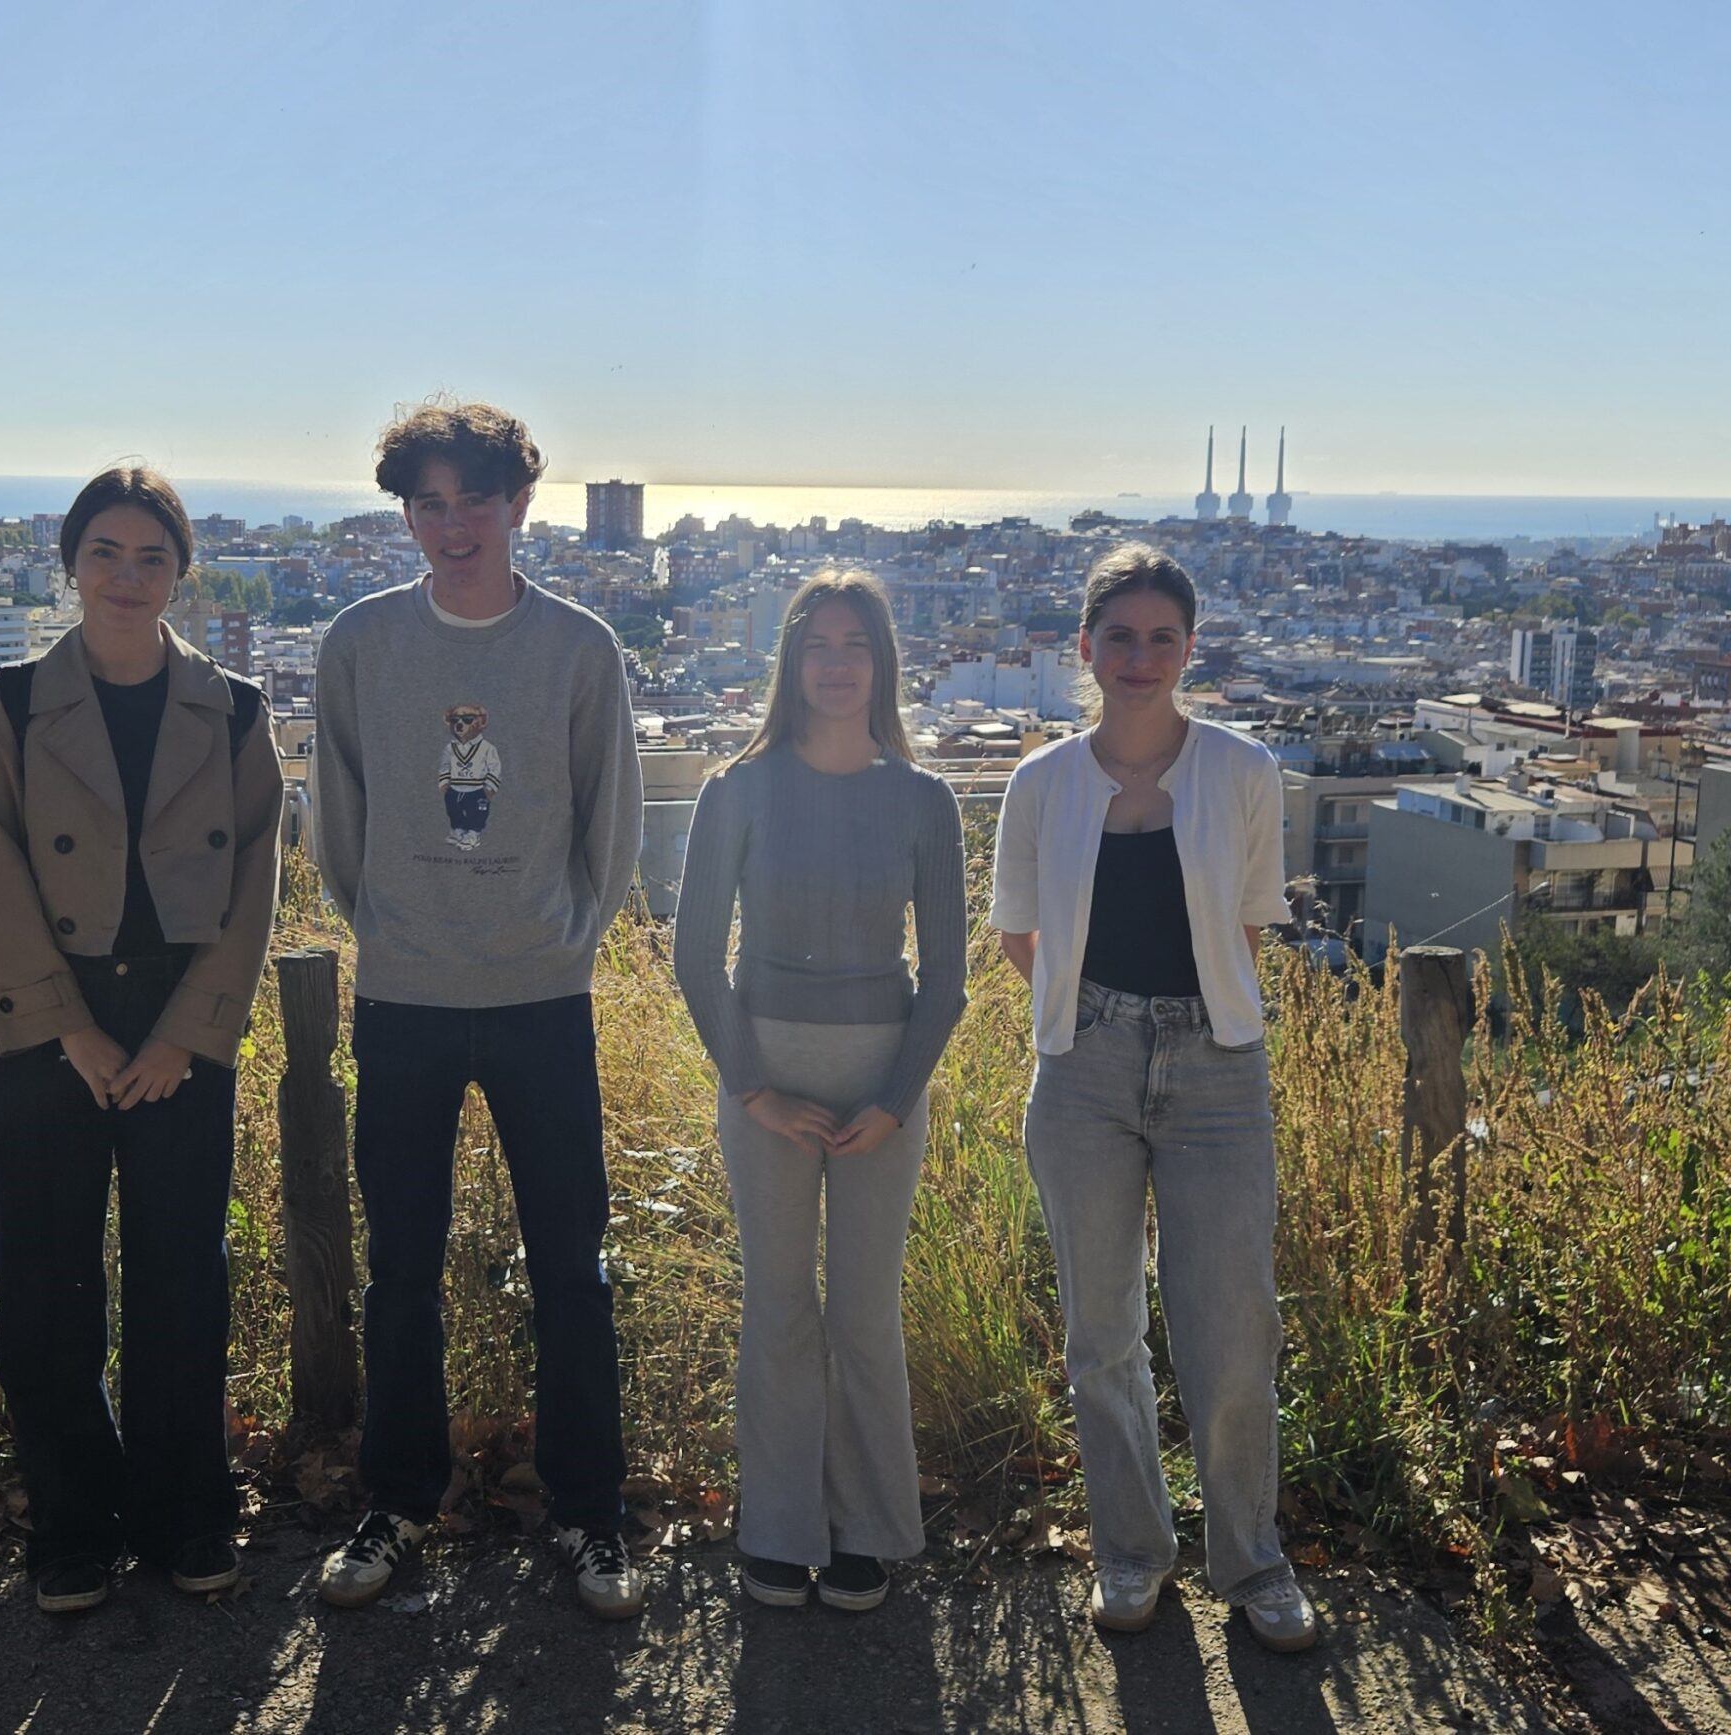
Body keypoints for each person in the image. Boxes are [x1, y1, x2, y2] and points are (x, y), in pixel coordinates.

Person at [310, 401, 647, 1620]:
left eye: (474, 500)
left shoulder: (577, 647)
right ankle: (399, 1502)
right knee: (399, 1265)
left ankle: (588, 1513)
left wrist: (564, 939)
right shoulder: (360, 641)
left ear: (519, 505)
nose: (452, 525)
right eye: (429, 503)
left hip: (539, 994)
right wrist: (387, 926)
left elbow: (612, 819)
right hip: (403, 992)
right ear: (407, 513)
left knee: (573, 1264)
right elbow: (335, 814)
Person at [0, 466, 282, 1616]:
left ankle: (186, 1511)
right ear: (70, 565)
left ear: (181, 572)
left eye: (151, 555)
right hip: (51, 1018)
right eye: (105, 551)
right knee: (45, 1279)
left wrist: (187, 1035)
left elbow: (255, 881)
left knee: (182, 1276)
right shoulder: (6, 704)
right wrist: (70, 1029)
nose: (127, 575)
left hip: (181, 1017)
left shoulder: (235, 710)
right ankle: (70, 1521)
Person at [988, 543, 1318, 1653]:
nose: (1140, 658)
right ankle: (1131, 1551)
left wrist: (1184, 1018)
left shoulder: (1242, 769)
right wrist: (1090, 1016)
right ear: (1085, 647)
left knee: (1233, 1328)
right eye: (1120, 637)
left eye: (1161, 638)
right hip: (1083, 1067)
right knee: (1101, 1332)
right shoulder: (1041, 782)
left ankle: (1252, 1560)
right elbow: (1019, 932)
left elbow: (1247, 923)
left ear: (1189, 649)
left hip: (1217, 1065)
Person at [673, 572, 967, 1613]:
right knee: (779, 1306)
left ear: (883, 662)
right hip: (766, 1075)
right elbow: (696, 957)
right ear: (789, 662)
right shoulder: (736, 788)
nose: (837, 663)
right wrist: (754, 1090)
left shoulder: (924, 799)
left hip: (883, 1081)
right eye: (817, 644)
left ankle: (867, 1528)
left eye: (856, 644)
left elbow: (947, 976)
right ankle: (778, 1527)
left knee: (864, 1313)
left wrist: (894, 1099)